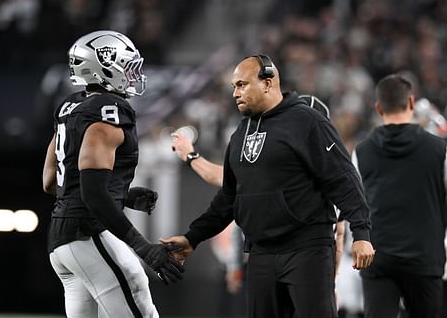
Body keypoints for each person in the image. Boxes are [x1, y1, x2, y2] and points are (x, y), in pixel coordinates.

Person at [162, 54, 375, 318]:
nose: (235, 93)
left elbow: (343, 179)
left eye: (242, 84)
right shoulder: (240, 133)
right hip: (261, 253)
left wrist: (362, 234)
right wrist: (193, 237)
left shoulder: (308, 121)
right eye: (234, 86)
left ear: (268, 83)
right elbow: (229, 197)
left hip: (306, 249)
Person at [42, 30, 184, 318]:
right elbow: (91, 193)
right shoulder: (107, 112)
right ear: (105, 66)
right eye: (128, 66)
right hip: (87, 235)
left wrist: (122, 195)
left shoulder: (71, 109)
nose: (134, 74)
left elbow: (51, 181)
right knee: (136, 290)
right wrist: (143, 247)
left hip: (62, 242)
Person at [170, 95, 346, 299]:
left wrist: (191, 156)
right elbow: (339, 234)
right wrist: (332, 280)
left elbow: (223, 178)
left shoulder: (286, 168)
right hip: (314, 268)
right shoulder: (336, 171)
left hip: (288, 264)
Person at [351, 74, 447, 318]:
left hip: (378, 259)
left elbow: (354, 205)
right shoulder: (440, 150)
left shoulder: (361, 152)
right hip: (426, 258)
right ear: (412, 103)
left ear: (379, 107)